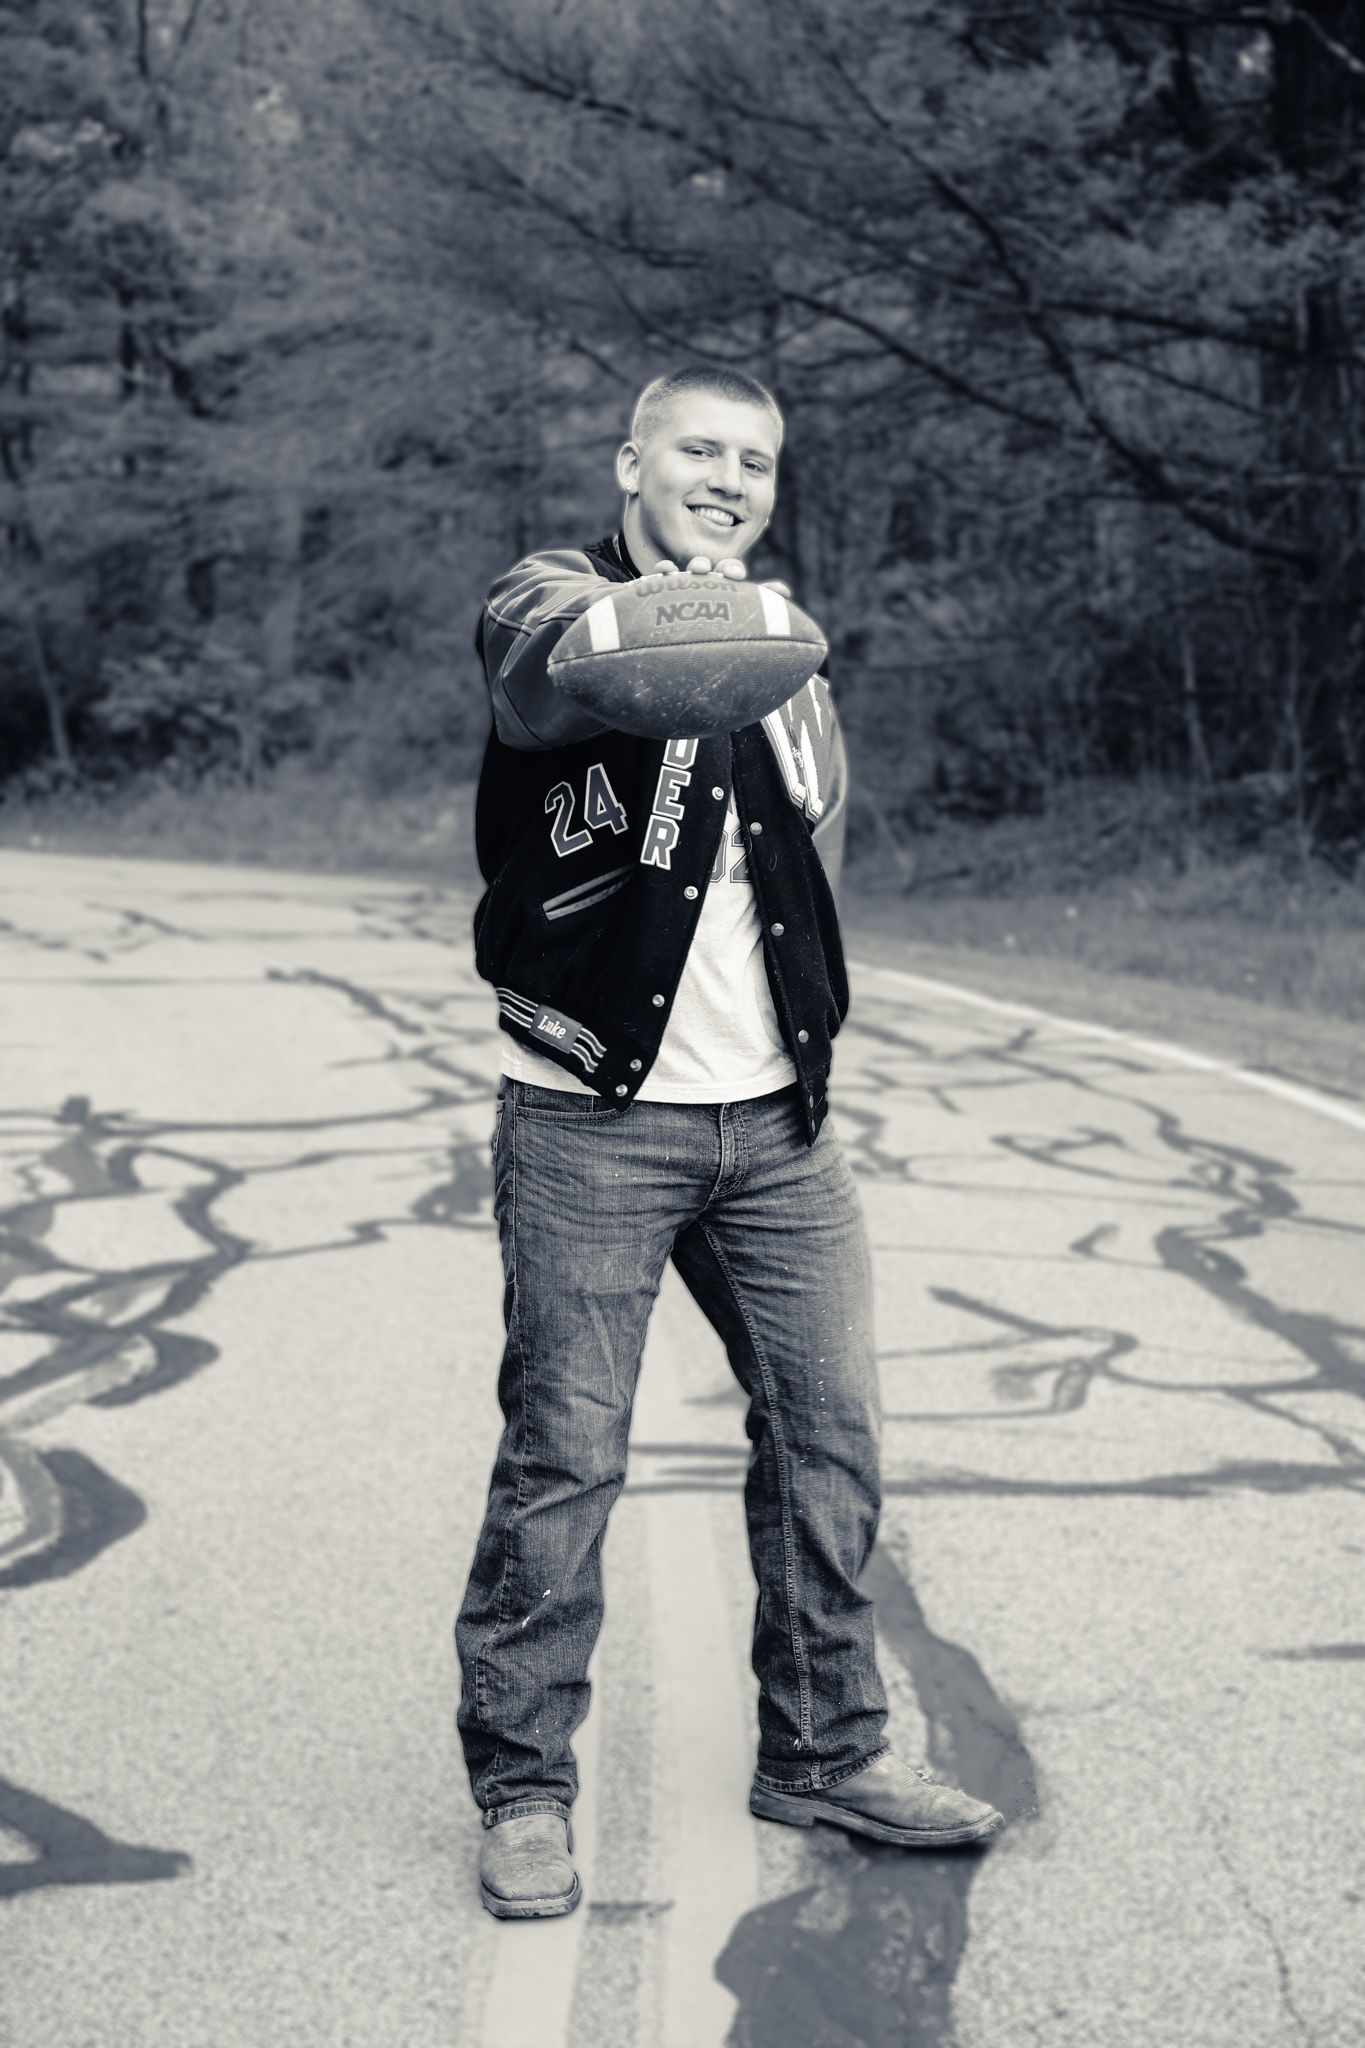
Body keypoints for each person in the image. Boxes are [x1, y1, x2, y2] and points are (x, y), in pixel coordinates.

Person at [456, 365, 1004, 1920]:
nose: (727, 476)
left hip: (775, 1130)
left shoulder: (793, 662)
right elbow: (550, 673)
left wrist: (805, 1042)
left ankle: (826, 1749)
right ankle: (522, 1790)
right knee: (565, 1462)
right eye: (698, 449)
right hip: (588, 1122)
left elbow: (809, 870)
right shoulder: (547, 601)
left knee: (828, 1442)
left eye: (754, 460)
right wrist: (695, 613)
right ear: (629, 461)